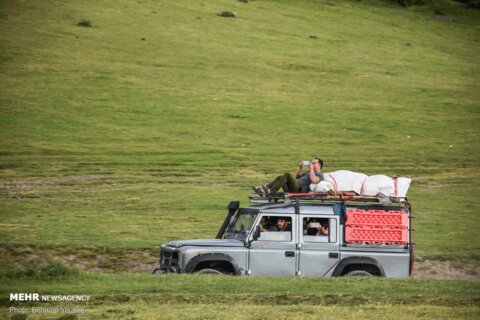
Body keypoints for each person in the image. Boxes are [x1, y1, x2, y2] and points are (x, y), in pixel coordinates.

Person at [253, 158, 324, 195]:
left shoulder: (320, 174)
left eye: (313, 163)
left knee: (287, 174)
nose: (311, 164)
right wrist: (300, 168)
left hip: (299, 190)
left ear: (319, 165)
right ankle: (265, 189)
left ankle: (271, 190)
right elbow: (296, 177)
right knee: (280, 177)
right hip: (294, 187)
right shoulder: (308, 173)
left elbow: (314, 180)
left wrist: (311, 169)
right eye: (311, 163)